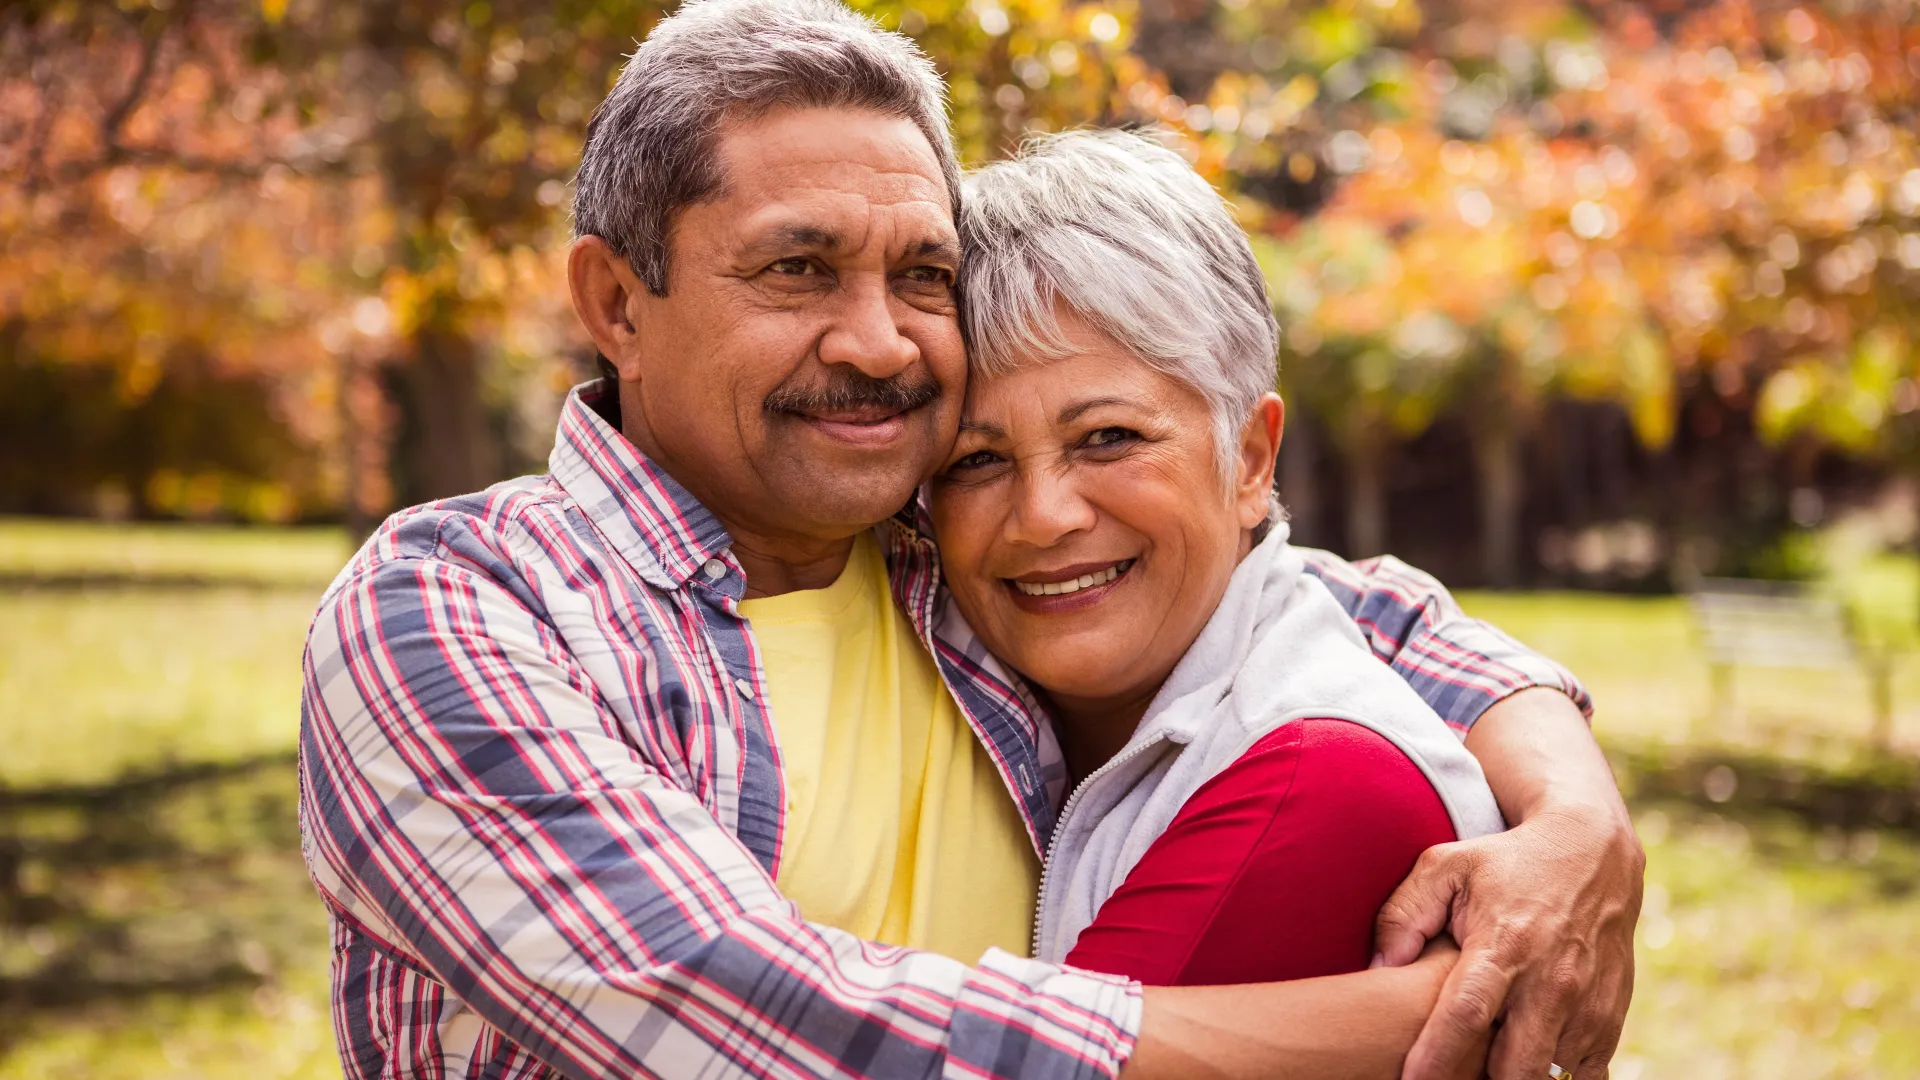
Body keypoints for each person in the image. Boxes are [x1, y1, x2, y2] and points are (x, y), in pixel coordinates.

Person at [296, 1, 1644, 1077]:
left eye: (921, 275)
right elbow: (741, 1021)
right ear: (617, 300)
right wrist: (1389, 1029)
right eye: (798, 268)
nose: (879, 342)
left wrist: (1577, 816)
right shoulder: (456, 613)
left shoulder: (938, 540)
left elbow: (1313, 597)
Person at [930, 128, 1505, 989]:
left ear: (1249, 460)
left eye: (1108, 438)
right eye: (975, 460)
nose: (1043, 517)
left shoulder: (1319, 781)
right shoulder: (940, 663)